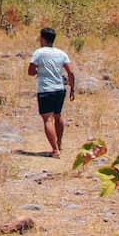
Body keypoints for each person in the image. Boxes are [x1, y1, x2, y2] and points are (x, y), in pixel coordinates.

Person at [27, 27, 75, 157]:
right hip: (60, 89)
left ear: (42, 38)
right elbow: (70, 72)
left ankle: (55, 150)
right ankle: (59, 143)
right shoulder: (61, 53)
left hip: (45, 90)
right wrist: (72, 88)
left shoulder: (39, 53)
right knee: (58, 115)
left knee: (48, 120)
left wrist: (39, 72)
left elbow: (30, 71)